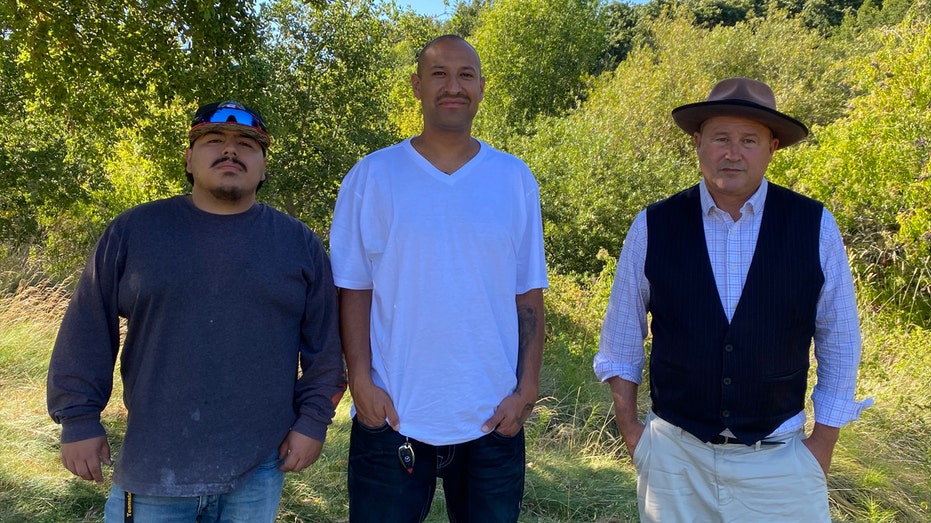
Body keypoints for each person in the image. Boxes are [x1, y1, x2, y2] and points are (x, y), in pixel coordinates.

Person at [47, 100, 346, 522]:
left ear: (262, 168)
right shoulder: (135, 231)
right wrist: (78, 418)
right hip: (154, 465)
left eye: (247, 143)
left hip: (258, 466)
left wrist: (313, 422)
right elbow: (87, 328)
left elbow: (325, 347)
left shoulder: (299, 245)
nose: (230, 150)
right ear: (189, 158)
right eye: (213, 140)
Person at [594, 77, 873, 521]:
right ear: (698, 142)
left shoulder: (815, 226)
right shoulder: (653, 225)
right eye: (721, 137)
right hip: (675, 463)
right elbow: (621, 337)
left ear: (772, 147)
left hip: (780, 462)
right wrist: (634, 435)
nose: (733, 152)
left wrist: (821, 446)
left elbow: (840, 340)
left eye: (749, 140)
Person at [329, 35, 548, 523]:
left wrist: (526, 387)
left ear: (482, 88)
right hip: (392, 415)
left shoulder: (513, 179)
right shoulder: (372, 177)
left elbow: (528, 293)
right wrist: (360, 379)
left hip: (493, 417)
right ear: (416, 86)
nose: (454, 86)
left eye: (466, 75)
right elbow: (353, 289)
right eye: (439, 74)